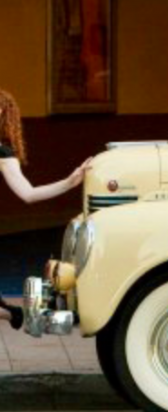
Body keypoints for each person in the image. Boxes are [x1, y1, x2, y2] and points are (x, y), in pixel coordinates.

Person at [0, 89, 91, 330]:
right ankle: (13, 314)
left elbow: (28, 194)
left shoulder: (3, 154)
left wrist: (70, 181)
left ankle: (14, 314)